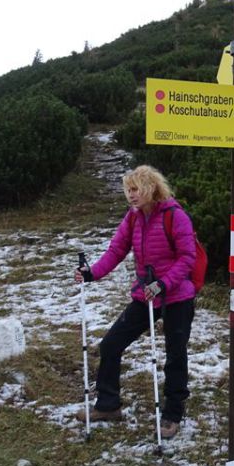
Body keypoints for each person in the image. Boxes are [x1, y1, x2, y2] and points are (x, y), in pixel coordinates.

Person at [74, 165, 197, 440]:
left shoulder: (175, 216)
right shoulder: (133, 218)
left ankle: (172, 413)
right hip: (146, 296)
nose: (131, 195)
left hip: (177, 296)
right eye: (128, 190)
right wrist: (91, 273)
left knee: (175, 354)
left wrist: (163, 283)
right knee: (111, 344)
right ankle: (108, 405)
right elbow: (117, 250)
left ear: (151, 189)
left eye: (136, 189)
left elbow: (187, 258)